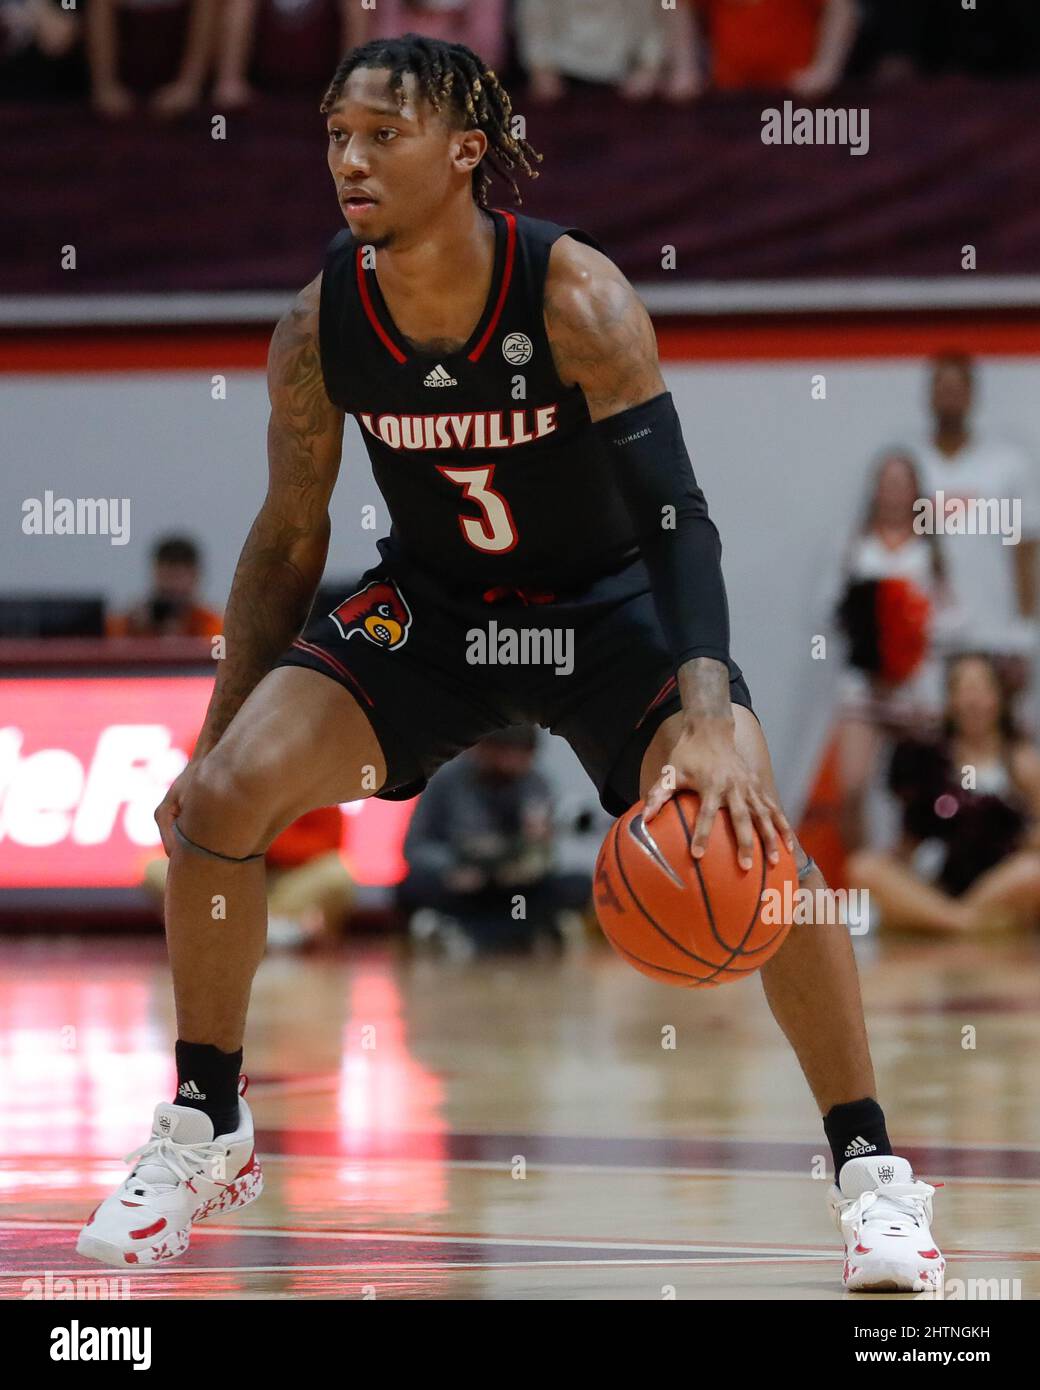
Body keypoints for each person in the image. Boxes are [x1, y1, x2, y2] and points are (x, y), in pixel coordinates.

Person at [77, 33, 943, 1292]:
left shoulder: (573, 294)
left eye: (383, 135)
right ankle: (206, 1123)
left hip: (606, 607)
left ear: (465, 150)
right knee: (215, 806)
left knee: (755, 836)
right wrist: (215, 729)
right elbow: (284, 543)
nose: (350, 161)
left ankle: (868, 1174)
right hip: (431, 611)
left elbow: (674, 516)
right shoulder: (322, 323)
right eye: (335, 137)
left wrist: (706, 702)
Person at [848, 654, 1040, 934]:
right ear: (950, 701)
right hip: (938, 881)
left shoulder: (1021, 761)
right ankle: (963, 924)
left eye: (981, 689)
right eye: (963, 689)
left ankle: (942, 923)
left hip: (999, 883)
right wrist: (897, 865)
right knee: (863, 867)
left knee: (1032, 871)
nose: (973, 700)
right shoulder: (930, 758)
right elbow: (911, 837)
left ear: (999, 698)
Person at [833, 448, 953, 851]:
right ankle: (862, 883)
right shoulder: (855, 546)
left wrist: (913, 622)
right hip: (864, 688)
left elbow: (953, 615)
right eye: (887, 483)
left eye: (903, 484)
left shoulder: (930, 551)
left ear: (916, 491)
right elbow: (831, 610)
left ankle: (900, 878)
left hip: (915, 688)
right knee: (851, 788)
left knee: (918, 790)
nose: (895, 492)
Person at [399, 726, 590, 955]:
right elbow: (415, 847)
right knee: (410, 887)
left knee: (578, 885)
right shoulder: (446, 780)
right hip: (464, 884)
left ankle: (469, 932)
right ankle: (519, 931)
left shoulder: (536, 783)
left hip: (515, 887)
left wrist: (531, 861)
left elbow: (544, 857)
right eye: (502, 753)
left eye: (519, 755)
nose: (509, 764)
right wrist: (451, 868)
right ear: (479, 749)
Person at [914, 353, 1038, 692]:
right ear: (929, 394)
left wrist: (1022, 635)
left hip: (994, 639)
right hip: (928, 644)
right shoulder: (913, 466)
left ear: (972, 395)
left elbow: (1024, 552)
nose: (950, 395)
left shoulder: (1006, 466)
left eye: (958, 387)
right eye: (942, 386)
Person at [144, 805, 353, 948]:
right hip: (224, 877)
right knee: (156, 870)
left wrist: (266, 842)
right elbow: (181, 833)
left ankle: (242, 933)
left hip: (286, 881)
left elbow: (330, 840)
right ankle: (272, 933)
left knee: (336, 873)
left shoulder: (310, 755)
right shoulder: (210, 749)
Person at [107, 535, 222, 638]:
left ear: (195, 577)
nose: (170, 586)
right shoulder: (132, 622)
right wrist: (135, 632)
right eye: (165, 577)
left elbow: (217, 653)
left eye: (177, 577)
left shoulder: (209, 623)